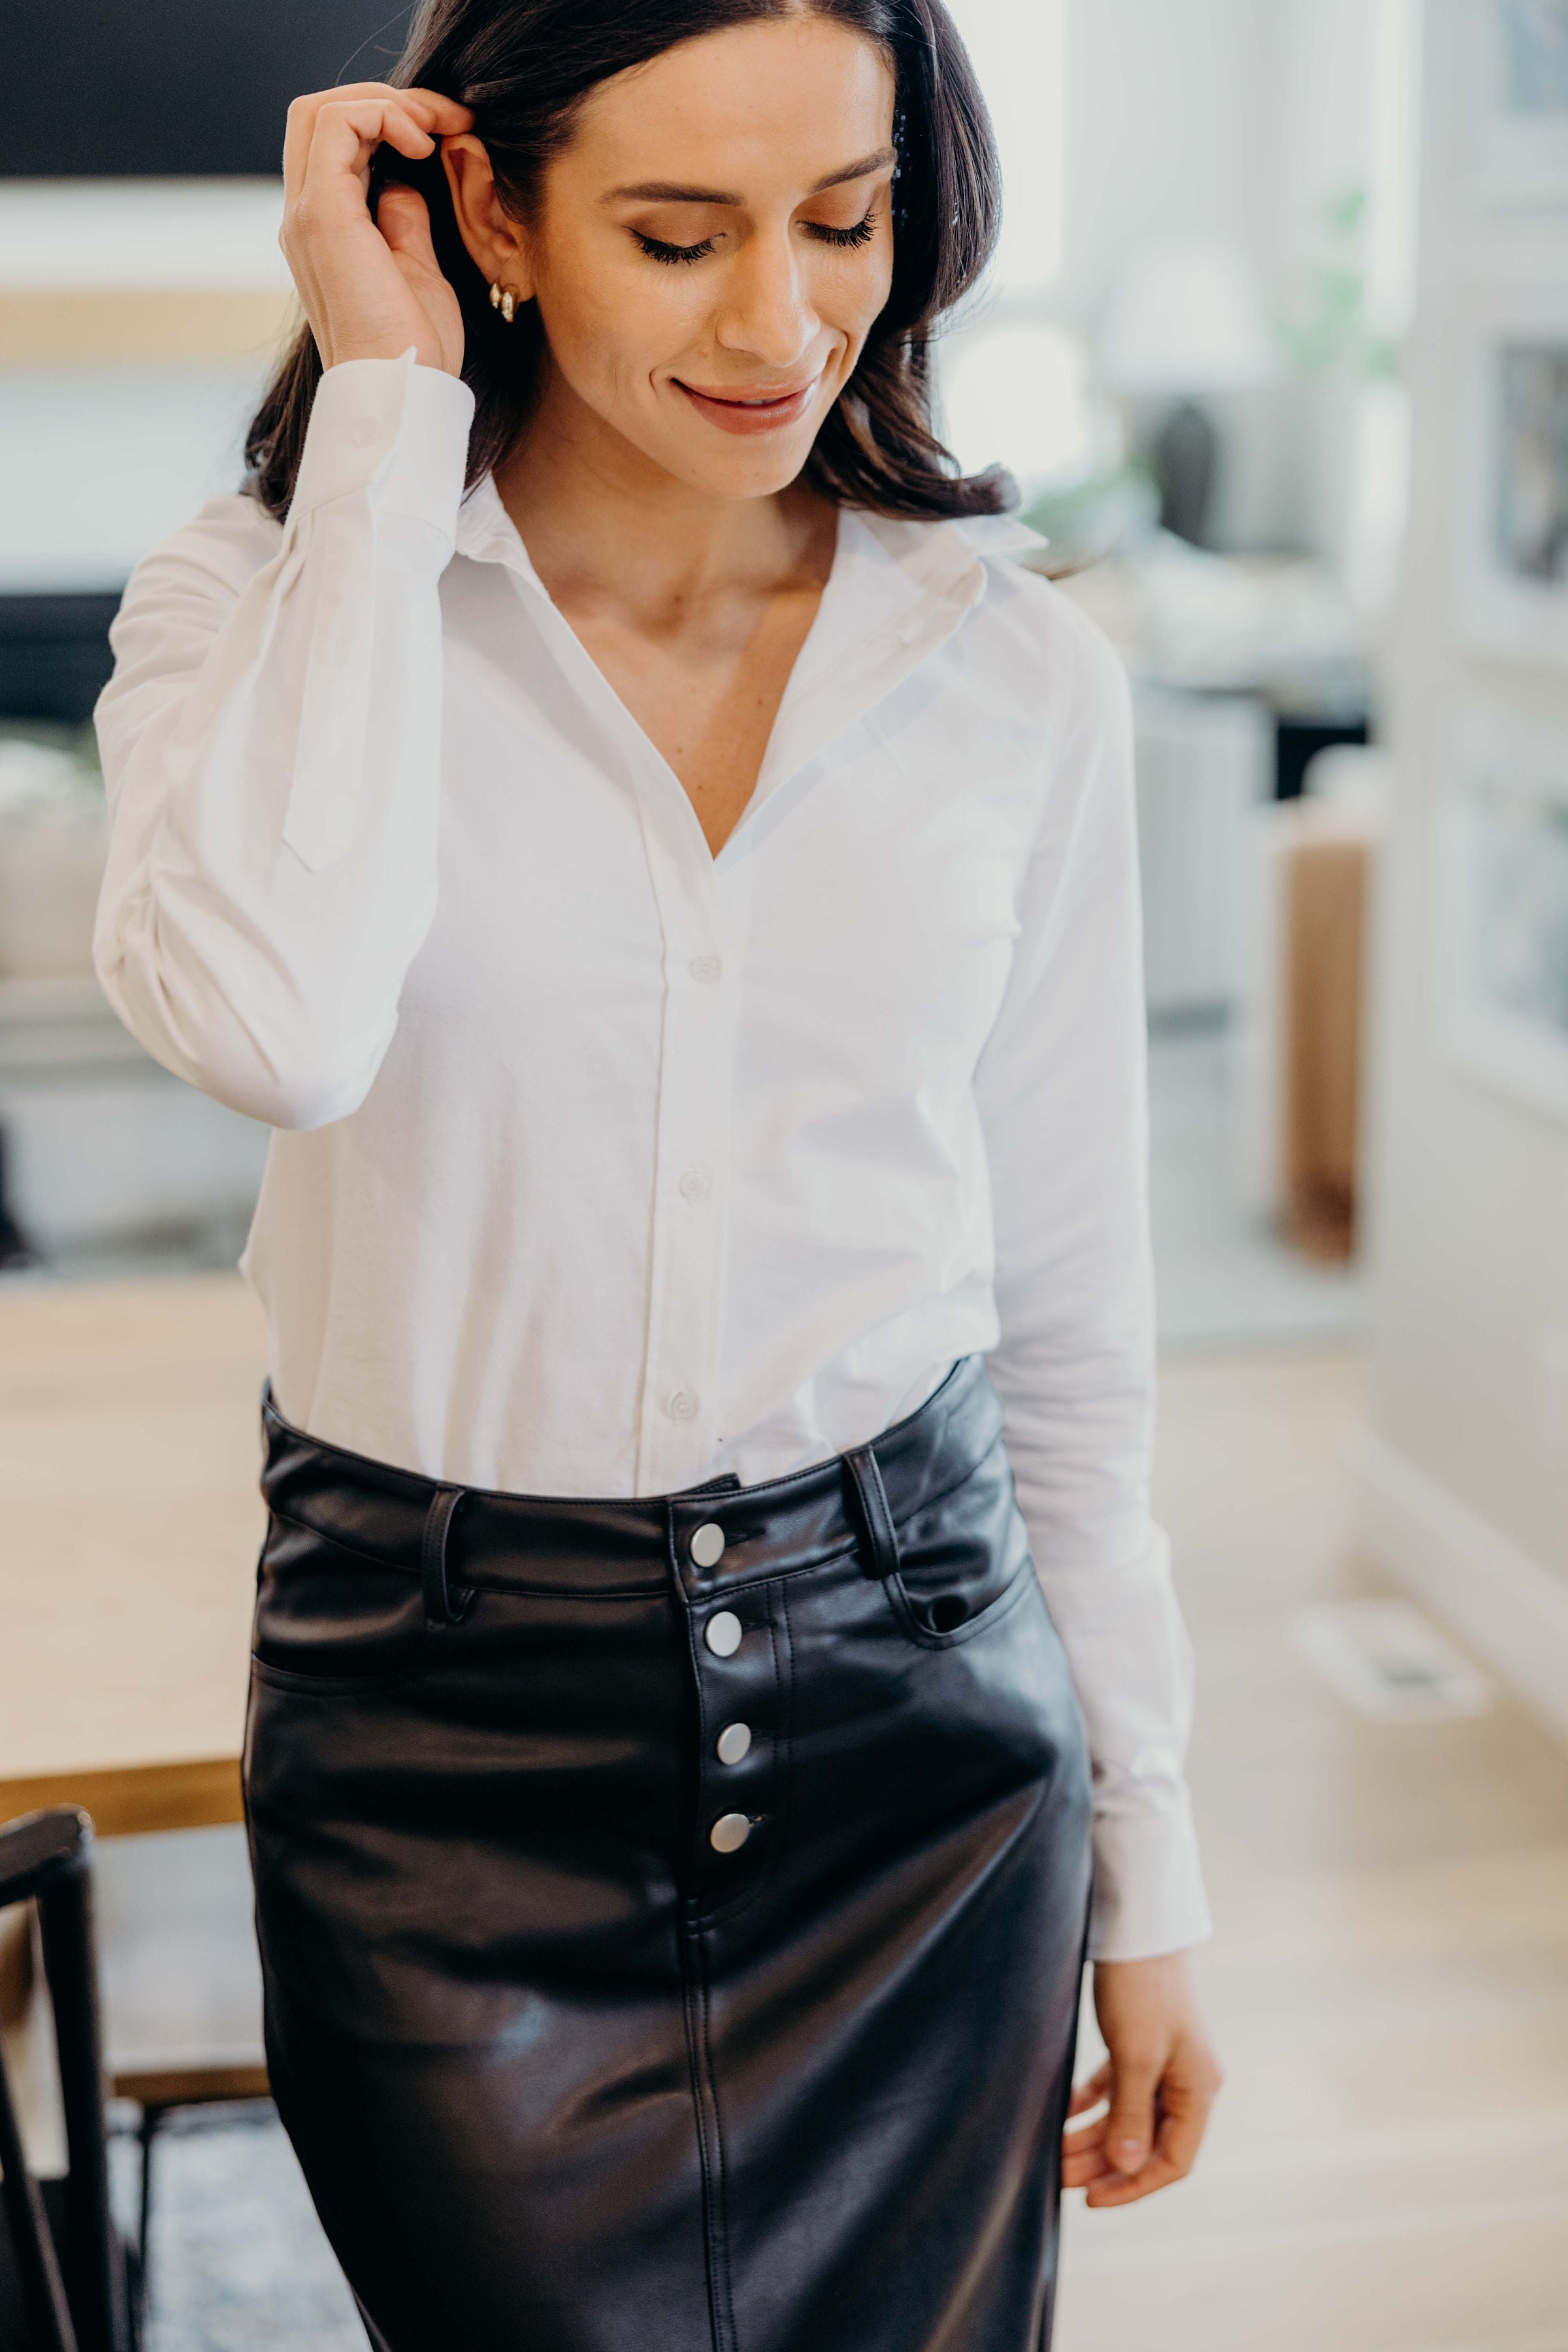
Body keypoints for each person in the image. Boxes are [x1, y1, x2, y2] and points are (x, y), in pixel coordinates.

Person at [93, 1, 1222, 2344]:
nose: (781, 322)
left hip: (921, 1738)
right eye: (679, 233)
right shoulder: (255, 612)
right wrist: (389, 401)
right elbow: (279, 1037)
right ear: (487, 209)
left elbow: (1076, 1328)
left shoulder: (1015, 680)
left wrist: (1155, 1872)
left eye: (846, 219)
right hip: (442, 1771)